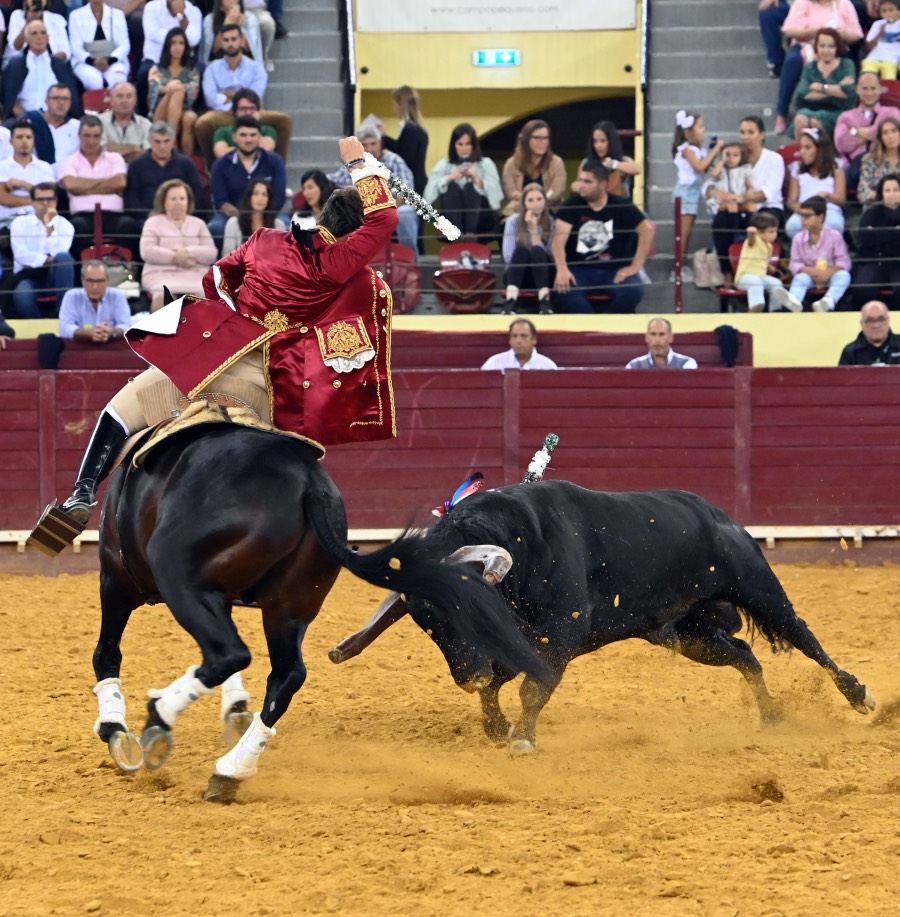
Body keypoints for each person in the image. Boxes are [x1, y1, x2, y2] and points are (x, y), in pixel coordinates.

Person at [41, 136, 398, 538]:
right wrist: (359, 164)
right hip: (272, 391)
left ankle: (82, 494)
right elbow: (384, 220)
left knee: (124, 408)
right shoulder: (338, 263)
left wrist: (234, 316)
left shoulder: (264, 239)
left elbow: (216, 279)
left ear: (324, 219)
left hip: (215, 362)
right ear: (353, 236)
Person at [550, 160, 654, 315]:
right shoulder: (571, 205)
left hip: (614, 270)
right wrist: (562, 268)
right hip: (579, 270)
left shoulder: (621, 204)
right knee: (563, 291)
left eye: (587, 181)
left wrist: (635, 266)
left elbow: (647, 230)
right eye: (580, 180)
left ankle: (607, 326)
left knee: (633, 291)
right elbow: (558, 242)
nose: (581, 185)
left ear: (603, 184)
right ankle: (592, 329)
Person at [774, 0, 863, 135]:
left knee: (816, 121)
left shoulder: (844, 4)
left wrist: (821, 88)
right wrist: (815, 32)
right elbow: (788, 30)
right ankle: (781, 113)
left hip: (839, 48)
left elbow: (856, 34)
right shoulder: (802, 3)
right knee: (793, 62)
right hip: (806, 45)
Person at [59, 115, 140, 263]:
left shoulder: (114, 158)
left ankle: (128, 272)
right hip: (82, 216)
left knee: (129, 225)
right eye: (87, 136)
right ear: (79, 136)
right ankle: (78, 274)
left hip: (113, 215)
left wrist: (82, 188)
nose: (91, 141)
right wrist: (107, 184)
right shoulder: (69, 160)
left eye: (96, 136)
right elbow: (71, 185)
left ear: (101, 137)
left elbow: (120, 182)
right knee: (75, 228)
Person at [328, 125, 418, 254]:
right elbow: (331, 179)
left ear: (380, 144)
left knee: (405, 214)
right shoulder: (353, 165)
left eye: (373, 144)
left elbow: (406, 192)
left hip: (394, 208)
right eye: (364, 145)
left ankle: (411, 259)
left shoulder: (394, 160)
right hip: (362, 212)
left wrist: (386, 212)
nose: (369, 148)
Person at [208, 114, 286, 249]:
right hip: (233, 215)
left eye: (253, 135)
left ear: (259, 137)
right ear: (234, 137)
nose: (248, 139)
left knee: (286, 223)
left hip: (268, 212)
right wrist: (245, 218)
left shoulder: (275, 161)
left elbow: (278, 198)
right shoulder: (220, 164)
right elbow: (221, 201)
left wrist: (260, 216)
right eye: (243, 135)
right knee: (216, 227)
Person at [139, 178, 216, 310]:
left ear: (188, 201)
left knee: (204, 299)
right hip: (161, 274)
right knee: (163, 297)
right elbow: (147, 251)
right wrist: (175, 257)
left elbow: (211, 253)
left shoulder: (198, 223)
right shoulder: (153, 222)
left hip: (194, 275)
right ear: (164, 201)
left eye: (182, 198)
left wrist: (187, 252)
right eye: (173, 199)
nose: (178, 203)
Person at [422, 123, 503, 240]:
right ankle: (456, 234)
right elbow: (427, 197)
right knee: (452, 187)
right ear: (454, 146)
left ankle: (470, 233)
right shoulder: (444, 165)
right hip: (451, 220)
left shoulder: (486, 164)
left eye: (468, 144)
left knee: (470, 187)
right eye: (460, 144)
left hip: (483, 218)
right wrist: (450, 178)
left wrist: (476, 179)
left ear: (474, 145)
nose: (464, 148)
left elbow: (497, 199)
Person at [671, 109, 724, 281]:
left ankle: (682, 267)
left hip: (693, 193)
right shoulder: (686, 149)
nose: (703, 130)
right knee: (683, 234)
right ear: (689, 131)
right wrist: (716, 150)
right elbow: (699, 167)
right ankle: (678, 270)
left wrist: (720, 161)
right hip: (685, 193)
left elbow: (708, 167)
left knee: (688, 232)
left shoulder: (695, 149)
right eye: (700, 127)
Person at [774, 195, 852, 311]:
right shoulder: (798, 238)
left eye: (807, 216)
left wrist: (828, 272)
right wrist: (810, 271)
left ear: (820, 217)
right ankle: (794, 301)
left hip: (830, 274)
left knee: (844, 276)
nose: (802, 220)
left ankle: (828, 301)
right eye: (801, 215)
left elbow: (843, 261)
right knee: (800, 278)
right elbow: (794, 263)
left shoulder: (834, 235)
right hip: (809, 274)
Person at [9, 181, 74, 318]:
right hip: (29, 274)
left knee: (64, 259)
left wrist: (49, 225)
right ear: (32, 202)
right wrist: (48, 259)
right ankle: (40, 326)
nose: (45, 203)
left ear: (56, 201)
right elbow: (21, 255)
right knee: (22, 296)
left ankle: (63, 316)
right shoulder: (19, 223)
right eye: (40, 200)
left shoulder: (65, 225)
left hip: (55, 274)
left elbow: (59, 255)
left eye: (49, 199)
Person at [124, 121, 201, 228]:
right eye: (157, 142)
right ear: (149, 141)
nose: (162, 146)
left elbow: (196, 192)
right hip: (147, 219)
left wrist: (183, 212)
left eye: (166, 141)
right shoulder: (137, 165)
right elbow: (130, 197)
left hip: (182, 217)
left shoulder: (186, 163)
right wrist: (148, 213)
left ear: (173, 141)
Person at [1, 20, 81, 120]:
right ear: (27, 39)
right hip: (23, 122)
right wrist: (30, 119)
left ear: (48, 38)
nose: (39, 37)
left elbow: (71, 99)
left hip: (57, 120)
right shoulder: (15, 66)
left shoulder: (60, 66)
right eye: (34, 33)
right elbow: (11, 100)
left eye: (43, 33)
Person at [834, 71, 900, 191]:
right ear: (857, 90)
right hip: (854, 168)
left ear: (880, 89)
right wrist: (876, 132)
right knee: (838, 174)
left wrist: (855, 131)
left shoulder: (892, 112)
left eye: (873, 88)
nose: (869, 93)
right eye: (864, 88)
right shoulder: (845, 117)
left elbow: (887, 135)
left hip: (884, 165)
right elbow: (842, 145)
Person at [791, 28, 857, 141]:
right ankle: (802, 154)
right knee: (801, 118)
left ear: (837, 47)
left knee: (816, 121)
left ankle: (825, 157)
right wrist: (836, 90)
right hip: (810, 110)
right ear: (817, 47)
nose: (826, 50)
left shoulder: (846, 65)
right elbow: (803, 94)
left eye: (831, 46)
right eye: (822, 46)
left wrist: (821, 87)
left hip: (838, 112)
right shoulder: (810, 67)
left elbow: (849, 93)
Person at [703, 141, 756, 280]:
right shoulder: (721, 171)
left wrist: (744, 197)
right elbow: (714, 174)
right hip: (725, 207)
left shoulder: (744, 170)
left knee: (752, 207)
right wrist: (722, 160)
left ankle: (748, 237)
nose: (731, 158)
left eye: (735, 155)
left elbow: (750, 188)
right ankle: (733, 236)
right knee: (731, 206)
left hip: (739, 202)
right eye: (728, 154)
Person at [500, 183, 554, 314]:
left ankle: (545, 301)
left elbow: (551, 255)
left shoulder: (551, 222)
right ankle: (510, 302)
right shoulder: (513, 221)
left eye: (539, 199)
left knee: (537, 251)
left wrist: (534, 230)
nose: (536, 203)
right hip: (518, 274)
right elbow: (508, 256)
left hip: (543, 275)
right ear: (524, 204)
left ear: (545, 202)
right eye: (530, 200)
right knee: (521, 250)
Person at [146, 27, 200, 155]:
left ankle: (187, 159)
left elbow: (193, 93)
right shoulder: (157, 68)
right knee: (177, 91)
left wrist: (173, 87)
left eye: (181, 43)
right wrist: (169, 89)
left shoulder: (192, 71)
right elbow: (153, 91)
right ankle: (173, 139)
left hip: (183, 109)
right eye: (173, 43)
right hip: (159, 111)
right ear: (167, 46)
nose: (177, 47)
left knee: (189, 118)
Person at [785, 128, 846, 238]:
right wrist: (797, 208)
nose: (802, 151)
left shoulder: (835, 167)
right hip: (805, 210)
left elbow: (841, 199)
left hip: (828, 209)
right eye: (802, 147)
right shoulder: (797, 168)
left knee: (834, 224)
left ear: (820, 149)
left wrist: (826, 195)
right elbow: (791, 201)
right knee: (792, 226)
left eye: (807, 147)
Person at [501, 119, 567, 216]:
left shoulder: (556, 162)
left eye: (545, 138)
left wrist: (539, 202)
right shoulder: (511, 164)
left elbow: (558, 190)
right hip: (519, 208)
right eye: (537, 138)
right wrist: (528, 201)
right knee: (504, 223)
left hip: (550, 207)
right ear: (526, 140)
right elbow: (510, 191)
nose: (542, 142)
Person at [854, 174, 900, 307]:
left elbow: (875, 236)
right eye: (888, 190)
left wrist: (881, 233)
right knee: (864, 288)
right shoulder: (871, 213)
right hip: (876, 262)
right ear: (882, 193)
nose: (892, 194)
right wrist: (896, 231)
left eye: (896, 190)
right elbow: (866, 238)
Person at [0, 119, 55, 230]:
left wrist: (23, 184)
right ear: (11, 141)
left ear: (33, 140)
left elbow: (50, 199)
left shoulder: (45, 167)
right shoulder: (2, 166)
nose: (24, 141)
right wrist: (37, 200)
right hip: (6, 221)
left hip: (38, 221)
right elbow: (3, 198)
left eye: (28, 137)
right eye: (19, 137)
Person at [58, 259, 132, 341]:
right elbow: (64, 328)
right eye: (90, 281)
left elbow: (126, 326)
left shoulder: (117, 296)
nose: (95, 287)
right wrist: (87, 333)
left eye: (100, 281)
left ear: (107, 281)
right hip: (82, 349)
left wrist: (111, 332)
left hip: (110, 348)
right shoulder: (71, 296)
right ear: (82, 280)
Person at [67, 0, 131, 91]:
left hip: (113, 60)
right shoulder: (75, 16)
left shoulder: (118, 14)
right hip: (85, 62)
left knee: (118, 79)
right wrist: (92, 61)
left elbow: (124, 45)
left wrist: (110, 60)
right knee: (94, 81)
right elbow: (76, 47)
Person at [207, 89, 284, 161]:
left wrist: (255, 125)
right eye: (243, 109)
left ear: (258, 111)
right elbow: (222, 154)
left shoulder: (267, 130)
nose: (248, 113)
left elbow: (265, 149)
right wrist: (251, 149)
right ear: (235, 111)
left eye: (252, 108)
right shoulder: (222, 131)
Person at [23, 84, 81, 178]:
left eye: (65, 99)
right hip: (35, 177)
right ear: (46, 101)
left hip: (69, 179)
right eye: (56, 98)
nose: (61, 102)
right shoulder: (31, 122)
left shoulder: (77, 126)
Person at [380, 85, 429, 195]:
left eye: (394, 105)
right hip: (418, 181)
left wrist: (382, 137)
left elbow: (404, 155)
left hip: (413, 184)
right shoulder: (419, 129)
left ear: (401, 105)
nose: (394, 109)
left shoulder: (410, 130)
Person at [739, 115, 786, 226]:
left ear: (761, 135)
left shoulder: (775, 159)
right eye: (743, 132)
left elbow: (768, 192)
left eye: (750, 132)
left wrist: (742, 200)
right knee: (723, 219)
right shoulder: (735, 157)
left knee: (763, 223)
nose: (746, 137)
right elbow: (713, 183)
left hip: (769, 208)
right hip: (741, 207)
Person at [734, 211, 784, 312]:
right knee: (755, 282)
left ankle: (775, 310)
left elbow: (763, 261)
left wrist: (769, 267)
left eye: (775, 231)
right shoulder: (755, 240)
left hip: (761, 276)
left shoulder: (769, 246)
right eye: (771, 231)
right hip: (745, 278)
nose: (775, 234)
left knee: (776, 283)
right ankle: (756, 306)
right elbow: (751, 238)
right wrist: (751, 233)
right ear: (760, 233)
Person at [221, 178, 286, 255]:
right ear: (249, 197)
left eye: (264, 194)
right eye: (256, 193)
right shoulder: (234, 223)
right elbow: (227, 256)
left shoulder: (278, 225)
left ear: (268, 199)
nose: (260, 198)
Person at [580, 120, 641, 198]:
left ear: (611, 141)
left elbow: (637, 169)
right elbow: (578, 187)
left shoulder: (623, 160)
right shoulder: (586, 163)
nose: (598, 146)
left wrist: (614, 164)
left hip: (619, 207)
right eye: (595, 141)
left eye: (603, 141)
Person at [3, 0, 70, 68]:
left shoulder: (57, 19)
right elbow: (15, 47)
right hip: (19, 65)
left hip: (51, 65)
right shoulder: (17, 15)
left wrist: (45, 60)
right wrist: (28, 22)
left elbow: (65, 52)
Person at [98, 82, 152, 164]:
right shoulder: (99, 122)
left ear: (135, 100)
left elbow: (149, 156)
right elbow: (99, 150)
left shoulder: (146, 124)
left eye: (129, 96)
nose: (124, 100)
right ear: (111, 100)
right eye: (120, 96)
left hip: (137, 172)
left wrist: (113, 148)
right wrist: (135, 149)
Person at [199, 0, 263, 68]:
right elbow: (208, 55)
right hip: (217, 68)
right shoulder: (209, 20)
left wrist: (238, 27)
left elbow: (253, 52)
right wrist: (227, 24)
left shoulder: (249, 18)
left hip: (247, 68)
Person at [480, 319, 557, 370]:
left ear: (534, 340)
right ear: (510, 340)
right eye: (514, 336)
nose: (519, 341)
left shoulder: (547, 366)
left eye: (524, 336)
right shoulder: (493, 363)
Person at [625, 318, 698, 369]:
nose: (657, 340)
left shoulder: (687, 364)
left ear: (670, 337)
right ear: (647, 338)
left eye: (662, 334)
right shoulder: (634, 365)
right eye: (653, 334)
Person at [858, 116, 900, 205]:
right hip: (878, 208)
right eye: (885, 133)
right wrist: (883, 196)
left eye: (894, 131)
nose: (890, 136)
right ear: (880, 138)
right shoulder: (870, 160)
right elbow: (862, 193)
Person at [860, 0, 900, 78]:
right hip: (874, 57)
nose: (888, 13)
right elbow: (869, 46)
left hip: (892, 59)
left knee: (889, 77)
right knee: (867, 73)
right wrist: (880, 33)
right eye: (884, 11)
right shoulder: (877, 24)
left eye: (891, 10)